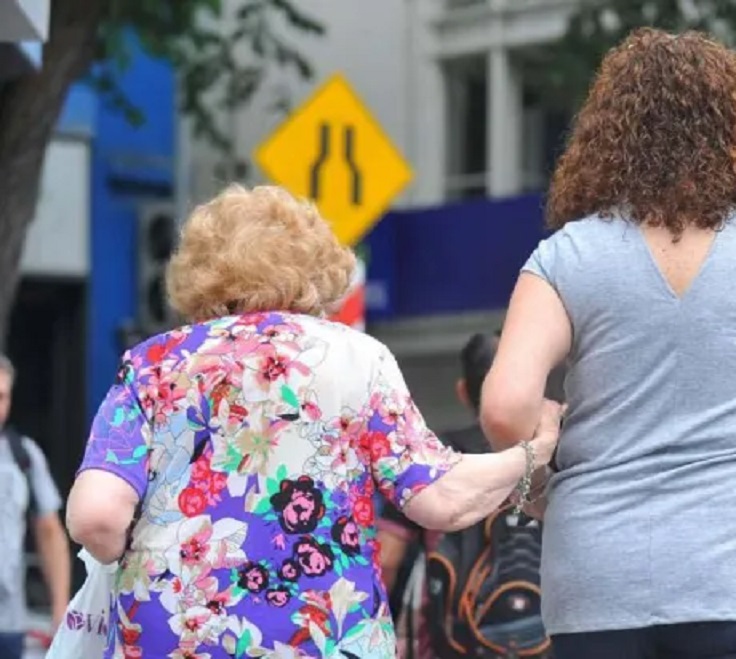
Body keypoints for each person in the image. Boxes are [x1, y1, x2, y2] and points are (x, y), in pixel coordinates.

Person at [480, 28, 736, 659]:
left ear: (606, 133)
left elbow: (504, 408)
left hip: (597, 579)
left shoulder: (568, 256)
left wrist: (547, 489)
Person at [63, 184, 564, 659]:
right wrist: (535, 453)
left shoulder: (154, 364)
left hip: (172, 635)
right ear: (321, 270)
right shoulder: (357, 359)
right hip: (323, 636)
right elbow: (438, 497)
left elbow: (96, 518)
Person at [377, 330, 503, 658]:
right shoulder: (553, 451)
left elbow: (388, 557)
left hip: (453, 642)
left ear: (463, 392)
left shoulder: (434, 457)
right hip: (549, 636)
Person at [0, 354, 71, 659]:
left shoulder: (23, 456)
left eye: (1, 396)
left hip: (8, 625)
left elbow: (50, 533)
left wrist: (61, 612)